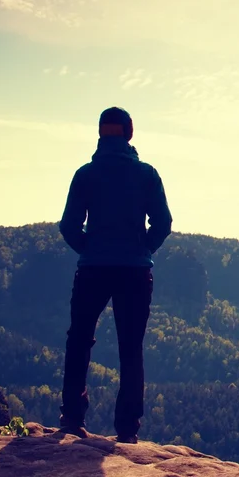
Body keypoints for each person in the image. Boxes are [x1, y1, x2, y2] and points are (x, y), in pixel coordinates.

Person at [58, 107, 172, 443]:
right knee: (130, 347)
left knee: (79, 340)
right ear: (129, 133)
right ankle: (126, 431)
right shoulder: (147, 175)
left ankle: (72, 419)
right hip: (135, 272)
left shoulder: (86, 175)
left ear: (100, 134)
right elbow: (163, 224)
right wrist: (143, 249)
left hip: (93, 269)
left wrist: (90, 249)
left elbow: (68, 225)